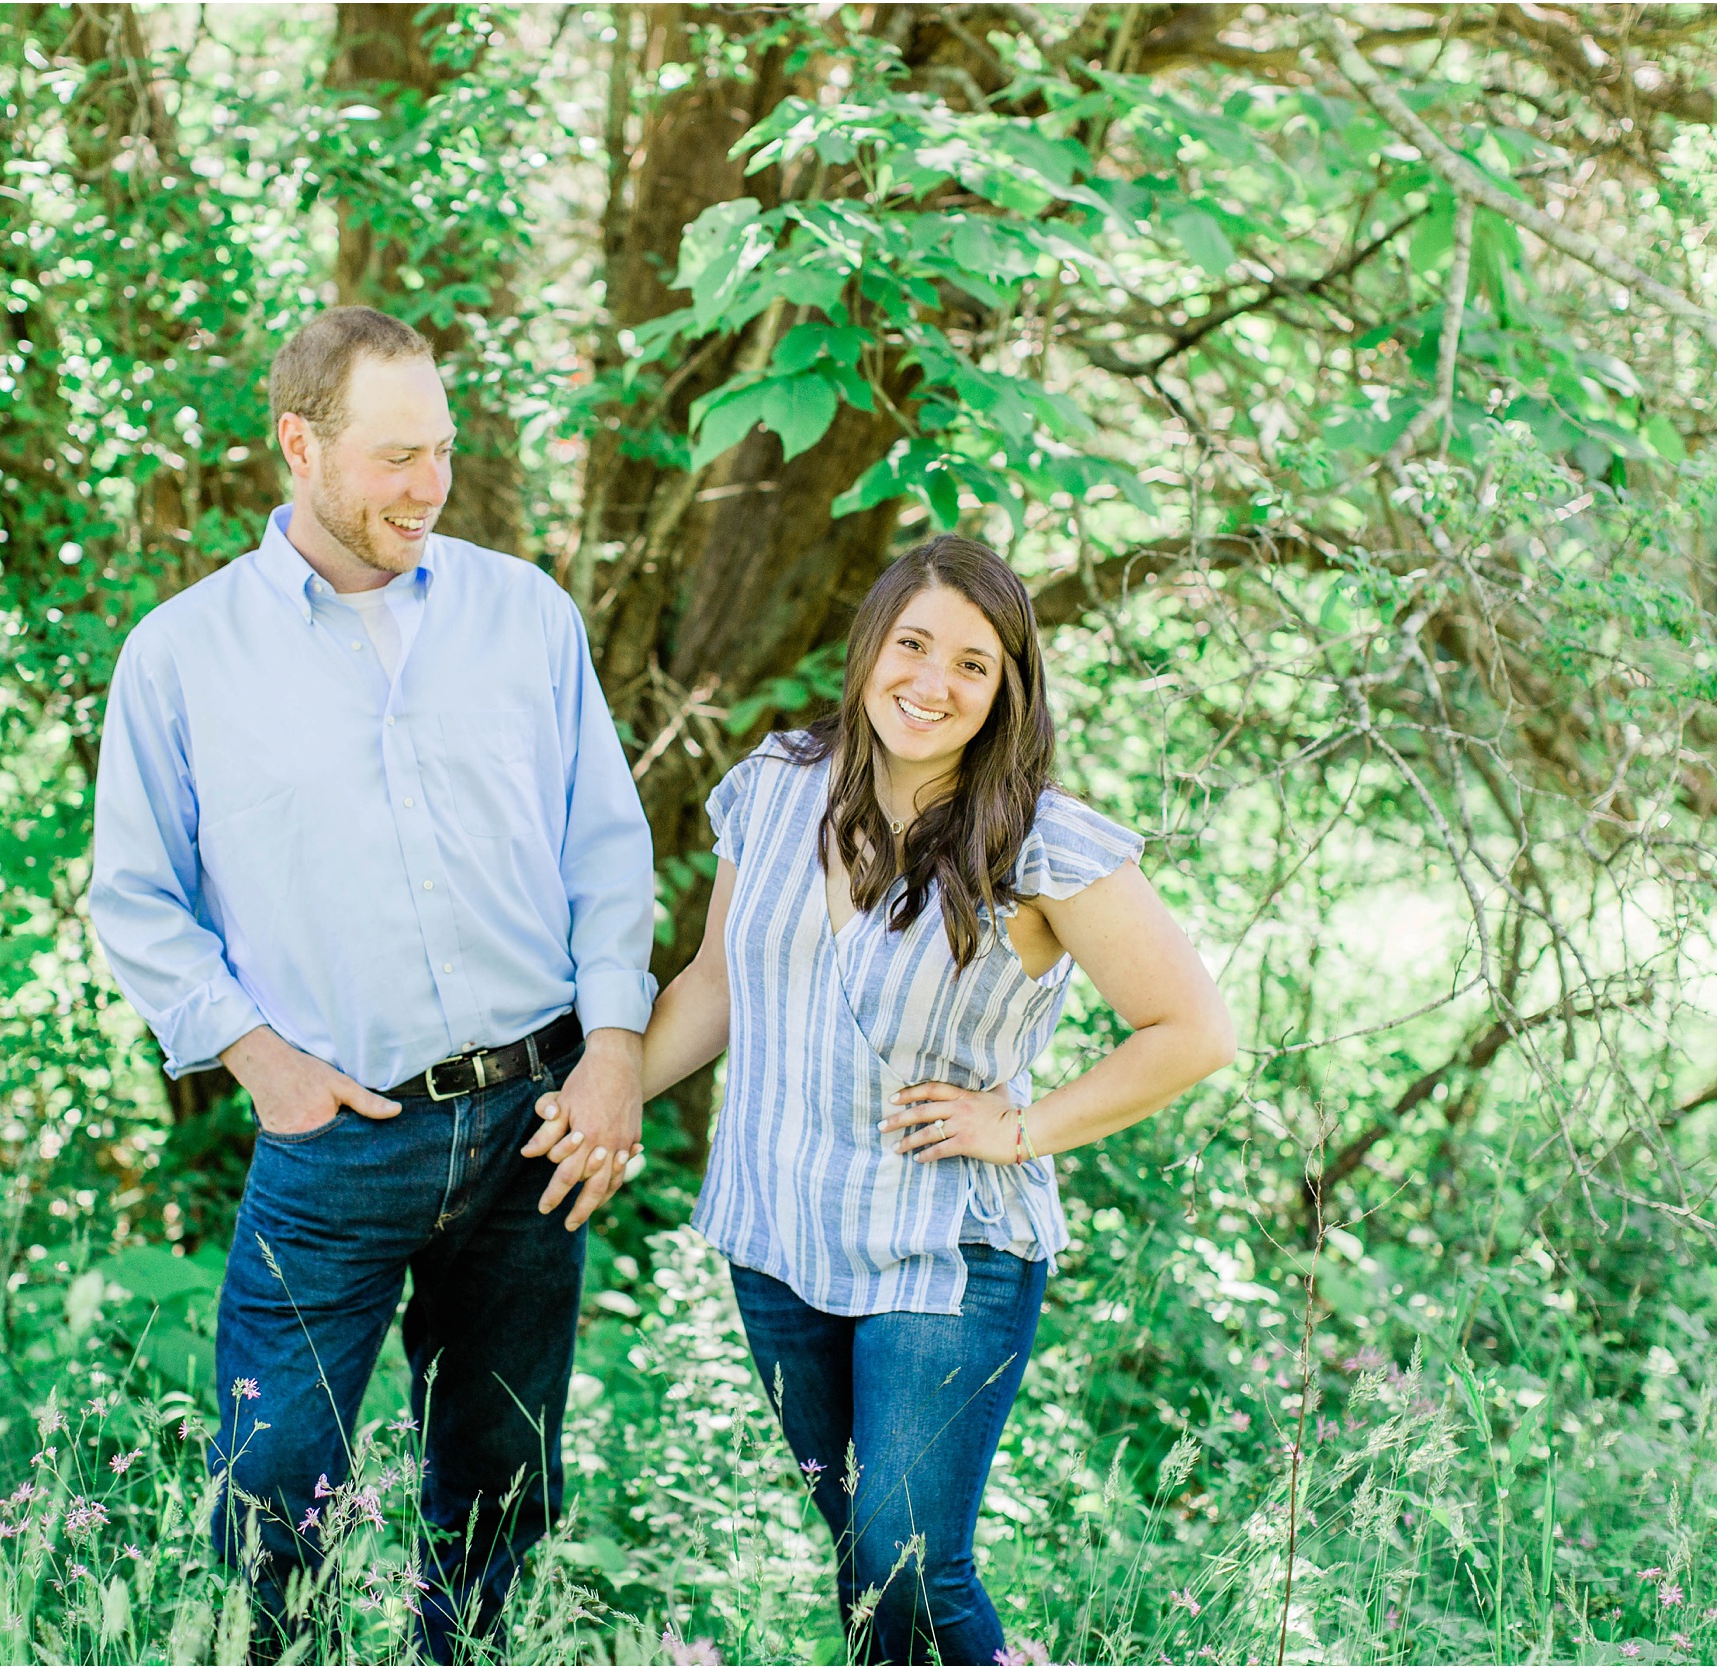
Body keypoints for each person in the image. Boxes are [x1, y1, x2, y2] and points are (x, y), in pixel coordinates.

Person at [87, 306, 654, 1661]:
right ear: (300, 443)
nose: (430, 485)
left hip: (536, 1126)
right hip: (340, 1139)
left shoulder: (524, 614)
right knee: (271, 1485)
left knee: (501, 1487)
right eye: (397, 455)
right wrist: (255, 1058)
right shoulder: (184, 655)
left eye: (444, 450)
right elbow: (136, 897)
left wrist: (619, 1047)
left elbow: (605, 847)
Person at [599, 534, 1235, 1665]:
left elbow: (1192, 1030)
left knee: (907, 1555)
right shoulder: (775, 788)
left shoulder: (1041, 842)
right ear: (870, 649)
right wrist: (602, 1098)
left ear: (1006, 691)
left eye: (973, 665)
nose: (933, 684)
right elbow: (712, 983)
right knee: (866, 1566)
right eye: (914, 646)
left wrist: (1022, 1126)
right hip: (780, 1229)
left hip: (945, 1241)